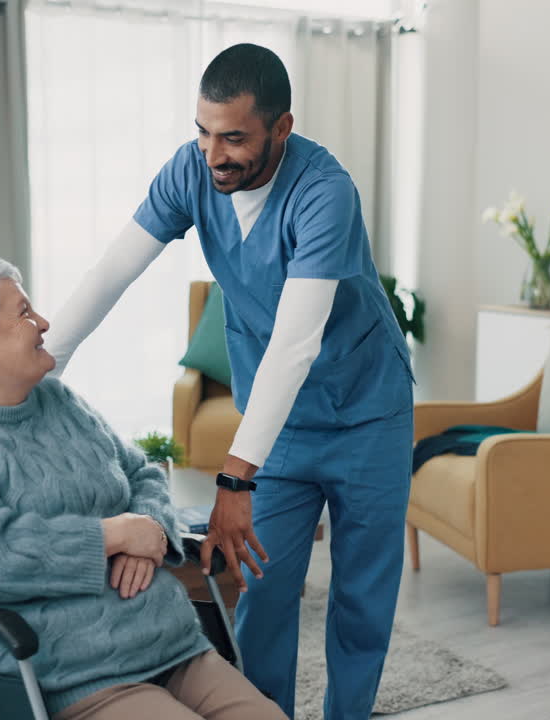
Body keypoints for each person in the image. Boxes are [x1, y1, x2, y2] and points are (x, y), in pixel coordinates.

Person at [43, 44, 414, 719]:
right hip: (280, 424)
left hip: (367, 412)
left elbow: (296, 343)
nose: (214, 154)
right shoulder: (190, 171)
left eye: (235, 137)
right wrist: (46, 363)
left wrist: (235, 478)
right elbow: (110, 273)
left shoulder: (324, 192)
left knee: (362, 597)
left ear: (282, 127)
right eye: (203, 132)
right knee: (265, 591)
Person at [0, 259, 286, 720]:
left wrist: (148, 533)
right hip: (67, 671)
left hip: (169, 643)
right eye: (24, 313)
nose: (44, 323)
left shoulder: (59, 401)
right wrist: (113, 536)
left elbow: (142, 473)